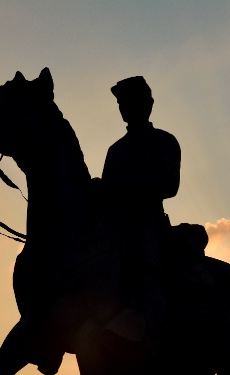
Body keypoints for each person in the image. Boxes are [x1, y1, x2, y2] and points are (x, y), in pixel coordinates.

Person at [101, 76, 180, 347]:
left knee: (145, 262)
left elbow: (170, 185)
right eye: (122, 104)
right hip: (114, 227)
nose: (126, 108)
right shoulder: (115, 150)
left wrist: (126, 185)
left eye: (131, 102)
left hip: (147, 224)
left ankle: (155, 330)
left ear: (148, 104)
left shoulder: (164, 141)